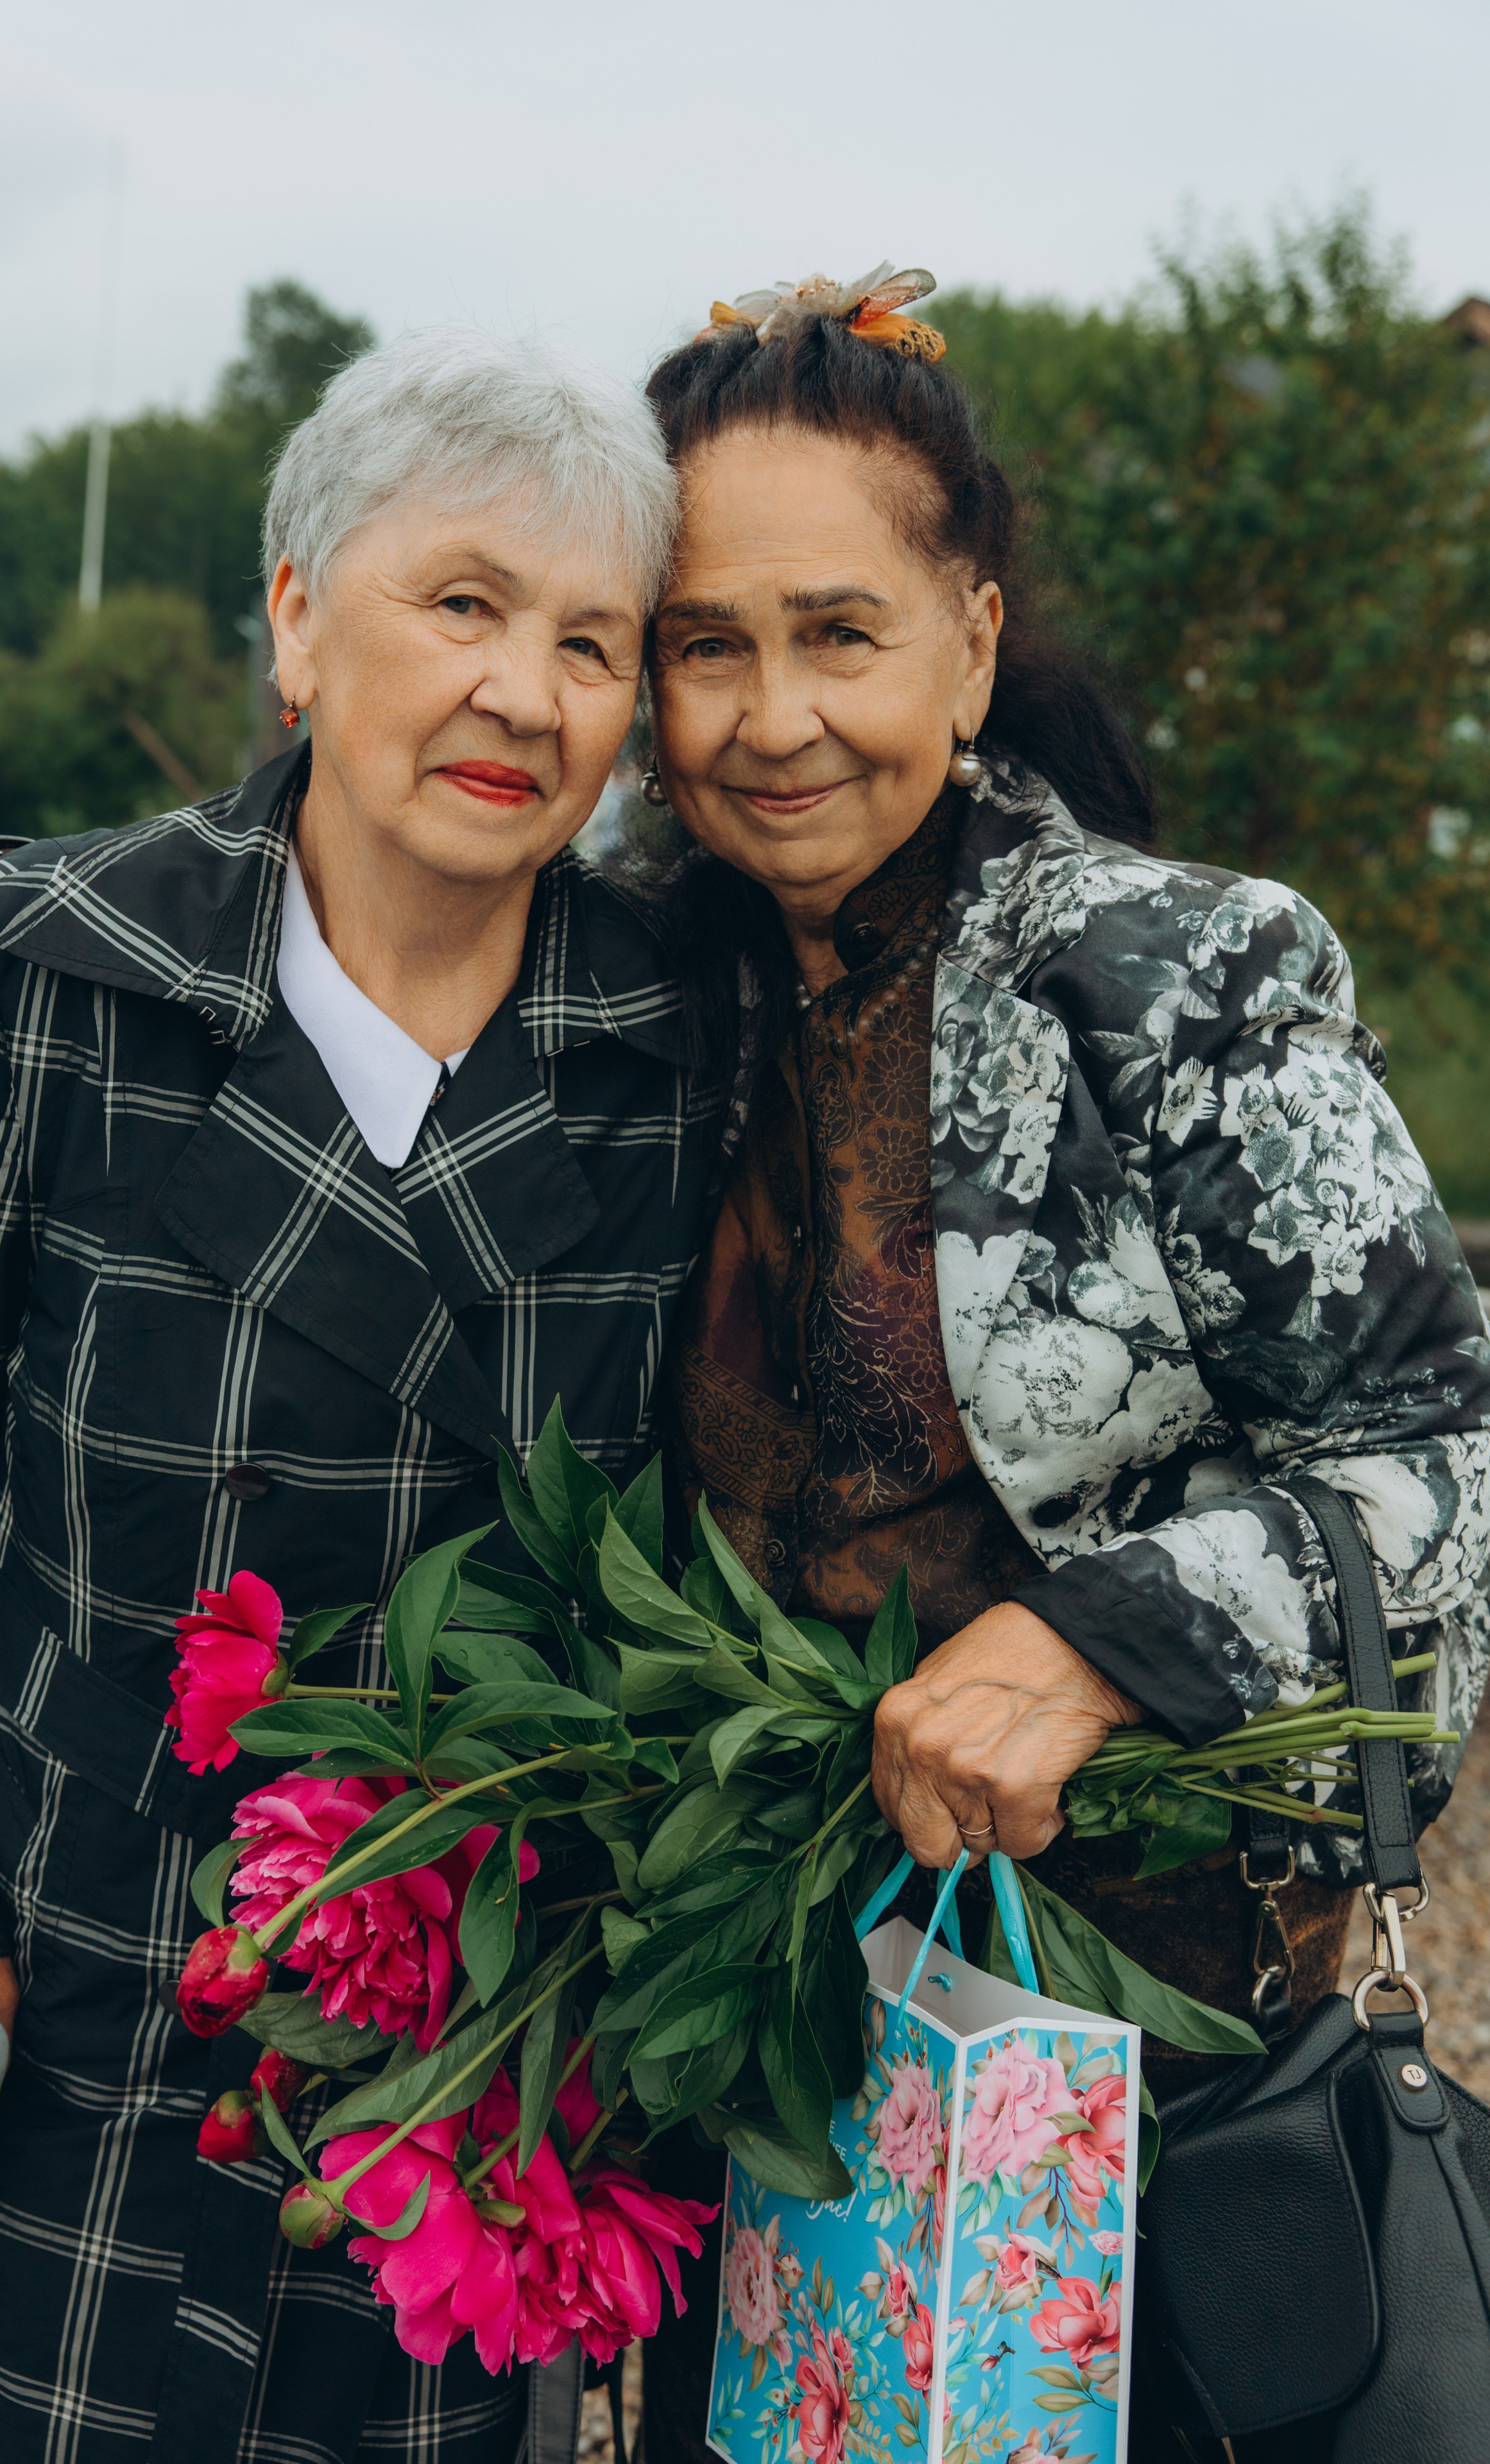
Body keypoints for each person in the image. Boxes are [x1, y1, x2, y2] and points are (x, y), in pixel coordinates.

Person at [624, 270, 1490, 2461]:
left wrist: (1100, 1643)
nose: (772, 715)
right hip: (778, 2044)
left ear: (975, 639)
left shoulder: (1177, 976)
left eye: (841, 632)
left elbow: (1436, 1464)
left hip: (1162, 2067)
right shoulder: (636, 999)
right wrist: (1, 920)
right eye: (706, 644)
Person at [0, 329, 715, 2464]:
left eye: (592, 640)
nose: (527, 691)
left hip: (452, 2088)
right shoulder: (51, 973)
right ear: (299, 617)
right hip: (61, 2039)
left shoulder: (687, 1046)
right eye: (465, 604)